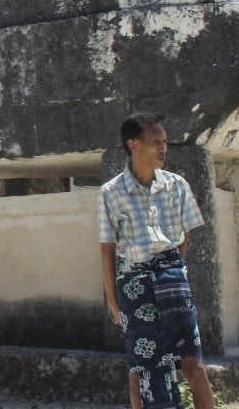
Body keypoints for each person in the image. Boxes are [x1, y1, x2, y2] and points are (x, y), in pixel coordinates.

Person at [98, 113, 216, 409]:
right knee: (142, 368)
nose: (163, 148)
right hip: (134, 286)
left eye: (165, 142)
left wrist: (174, 271)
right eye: (156, 142)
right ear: (134, 145)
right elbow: (107, 249)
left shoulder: (177, 185)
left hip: (173, 281)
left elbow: (184, 236)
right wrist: (112, 299)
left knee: (194, 365)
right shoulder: (111, 192)